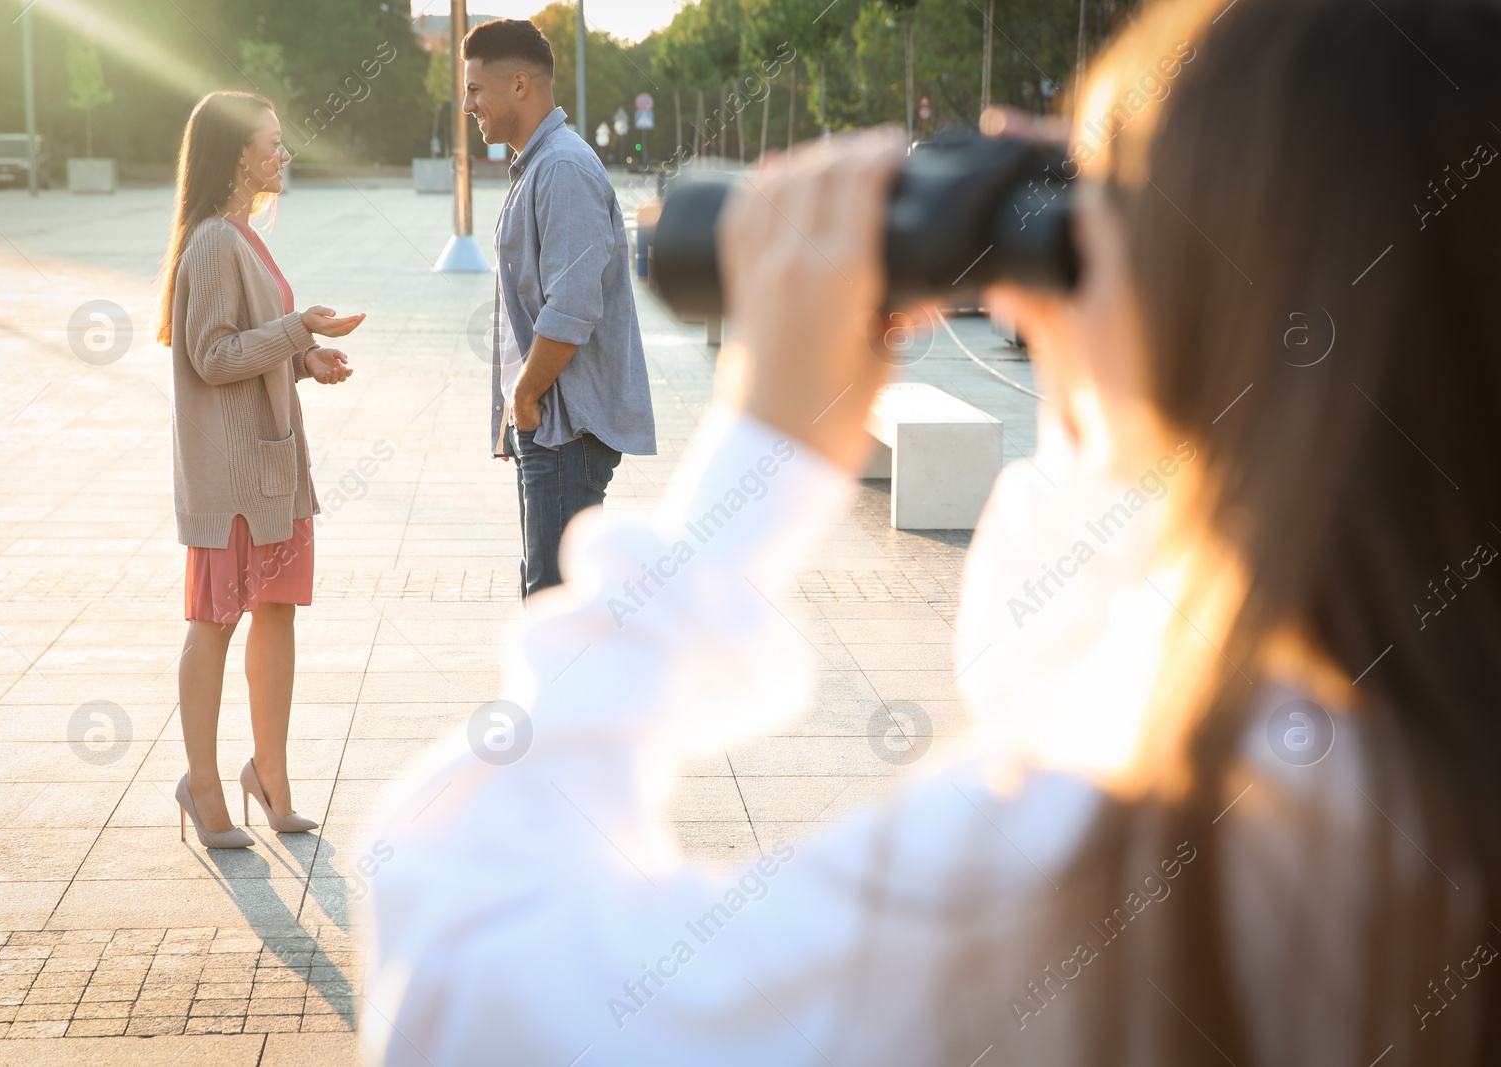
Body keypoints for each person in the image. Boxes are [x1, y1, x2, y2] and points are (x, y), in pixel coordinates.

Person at [360, 0, 1501, 1062]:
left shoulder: (1097, 878)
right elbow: (1048, 678)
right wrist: (1118, 373)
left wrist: (761, 454)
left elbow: (461, 955)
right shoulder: (1404, 784)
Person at [156, 91, 364, 849]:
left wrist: (305, 358)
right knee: (214, 623)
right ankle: (201, 784)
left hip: (271, 468)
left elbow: (248, 348)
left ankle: (268, 776)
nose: (284, 154)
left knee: (276, 613)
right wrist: (295, 327)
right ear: (238, 154)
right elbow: (212, 357)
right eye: (272, 142)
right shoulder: (214, 241)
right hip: (232, 480)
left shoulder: (242, 235)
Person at [461, 18, 657, 598]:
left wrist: (523, 397)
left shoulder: (562, 168)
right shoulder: (541, 164)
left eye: (475, 90)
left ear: (519, 84)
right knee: (552, 598)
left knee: (554, 604)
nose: (468, 105)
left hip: (563, 430)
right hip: (549, 426)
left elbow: (572, 307)